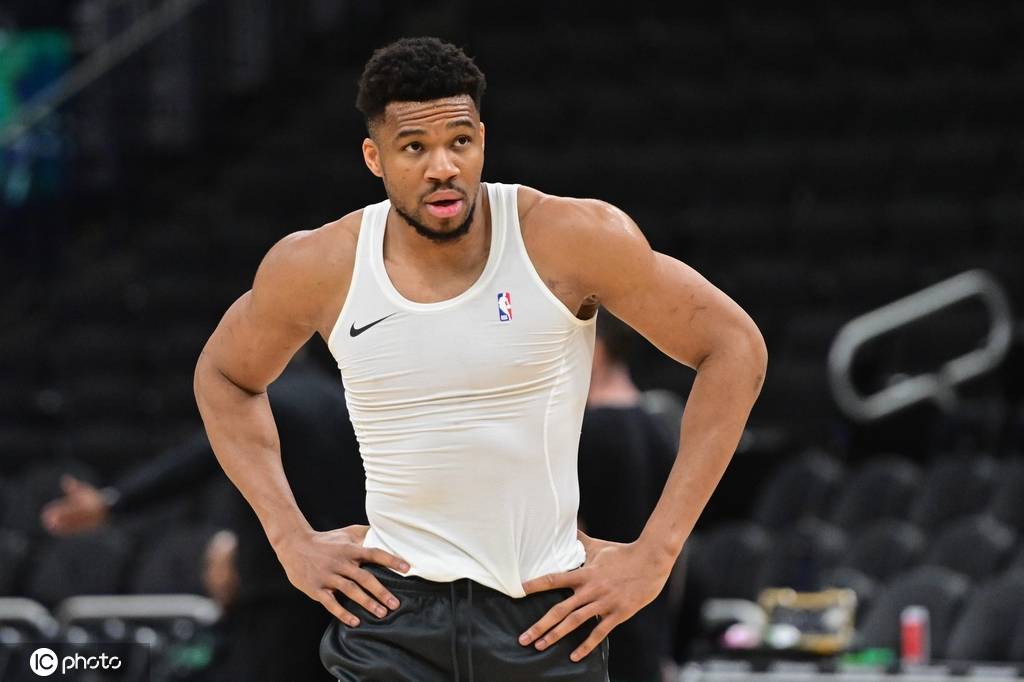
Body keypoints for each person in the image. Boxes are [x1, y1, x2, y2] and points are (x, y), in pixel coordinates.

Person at [192, 36, 767, 681]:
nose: (443, 166)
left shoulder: (570, 239)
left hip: (543, 615)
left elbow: (734, 347)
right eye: (415, 147)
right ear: (374, 157)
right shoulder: (319, 265)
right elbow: (224, 376)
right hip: (390, 619)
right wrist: (289, 537)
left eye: (459, 141)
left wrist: (657, 553)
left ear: (483, 141)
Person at [41, 353, 364, 681]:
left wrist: (114, 502)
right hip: (347, 584)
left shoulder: (264, 402)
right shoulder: (349, 404)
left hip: (275, 587)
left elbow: (190, 464)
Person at [578, 312, 679, 682]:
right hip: (650, 623)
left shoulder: (585, 432)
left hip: (594, 627)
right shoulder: (660, 427)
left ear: (598, 349)